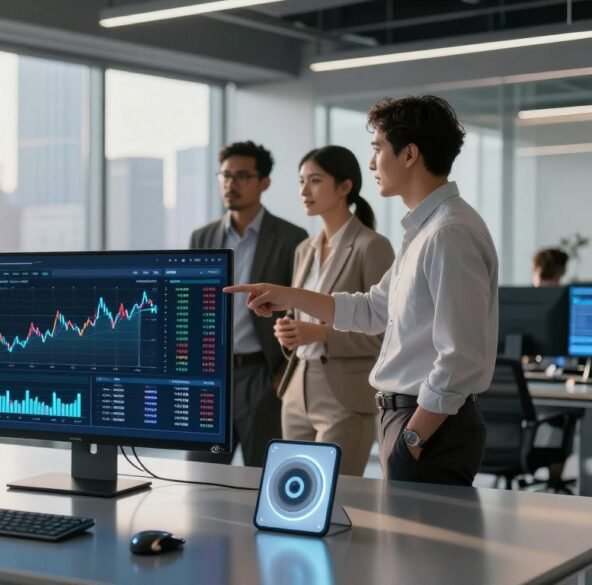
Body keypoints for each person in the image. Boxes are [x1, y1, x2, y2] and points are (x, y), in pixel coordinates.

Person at [226, 95, 499, 487]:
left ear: (409, 154)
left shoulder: (449, 232)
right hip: (409, 418)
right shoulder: (424, 230)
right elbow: (374, 309)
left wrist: (413, 436)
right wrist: (289, 295)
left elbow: (461, 356)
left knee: (419, 547)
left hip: (427, 423)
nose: (372, 163)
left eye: (377, 149)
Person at [275, 146, 394, 476]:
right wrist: (289, 334)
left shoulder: (373, 247)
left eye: (315, 180)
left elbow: (386, 332)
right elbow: (301, 317)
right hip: (298, 389)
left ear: (344, 187)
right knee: (292, 495)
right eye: (301, 181)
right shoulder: (304, 250)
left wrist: (321, 334)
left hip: (345, 394)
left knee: (337, 496)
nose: (303, 191)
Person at [189, 140, 308, 467]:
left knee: (261, 475)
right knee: (199, 475)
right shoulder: (203, 238)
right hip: (210, 378)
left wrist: (282, 378)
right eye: (225, 175)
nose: (231, 184)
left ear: (264, 182)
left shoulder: (291, 238)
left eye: (242, 176)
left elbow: (302, 309)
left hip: (261, 376)